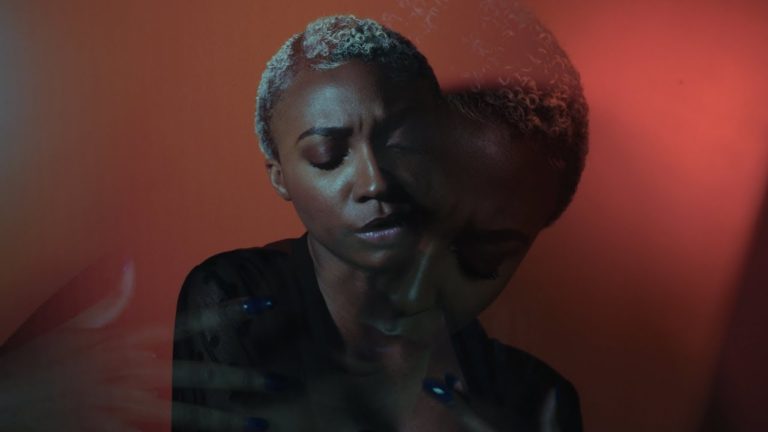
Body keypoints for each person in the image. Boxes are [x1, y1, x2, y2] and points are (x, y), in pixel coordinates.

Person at [172, 14, 586, 432]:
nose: (374, 182)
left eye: (400, 144)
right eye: (327, 155)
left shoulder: (537, 399)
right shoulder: (235, 299)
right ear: (279, 177)